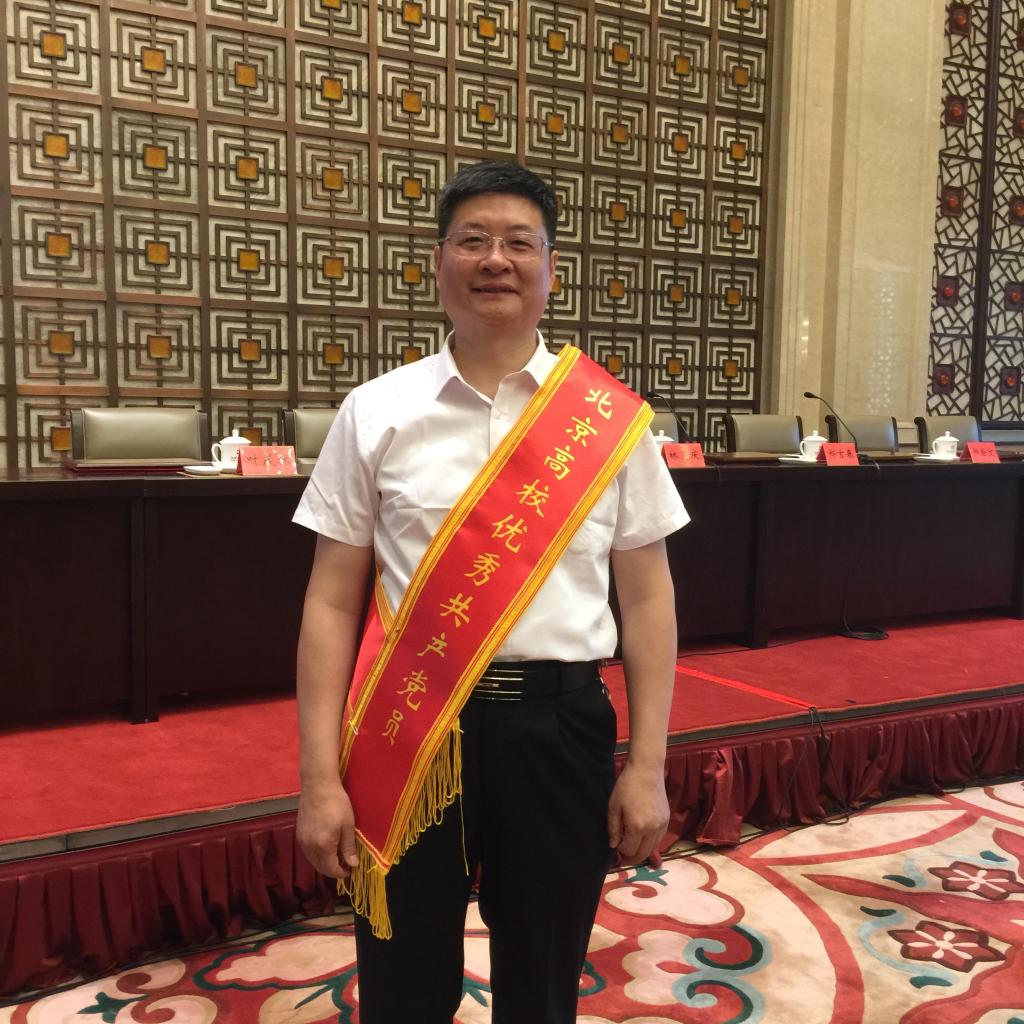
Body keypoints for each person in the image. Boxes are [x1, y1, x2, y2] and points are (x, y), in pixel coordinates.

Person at [293, 160, 688, 1024]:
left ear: (551, 267)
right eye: (473, 240)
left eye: (518, 242)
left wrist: (648, 766)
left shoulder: (611, 422)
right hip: (408, 725)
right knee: (402, 982)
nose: (495, 259)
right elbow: (330, 602)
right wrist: (318, 778)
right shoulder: (376, 411)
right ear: (440, 262)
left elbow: (648, 601)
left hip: (558, 729)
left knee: (543, 981)